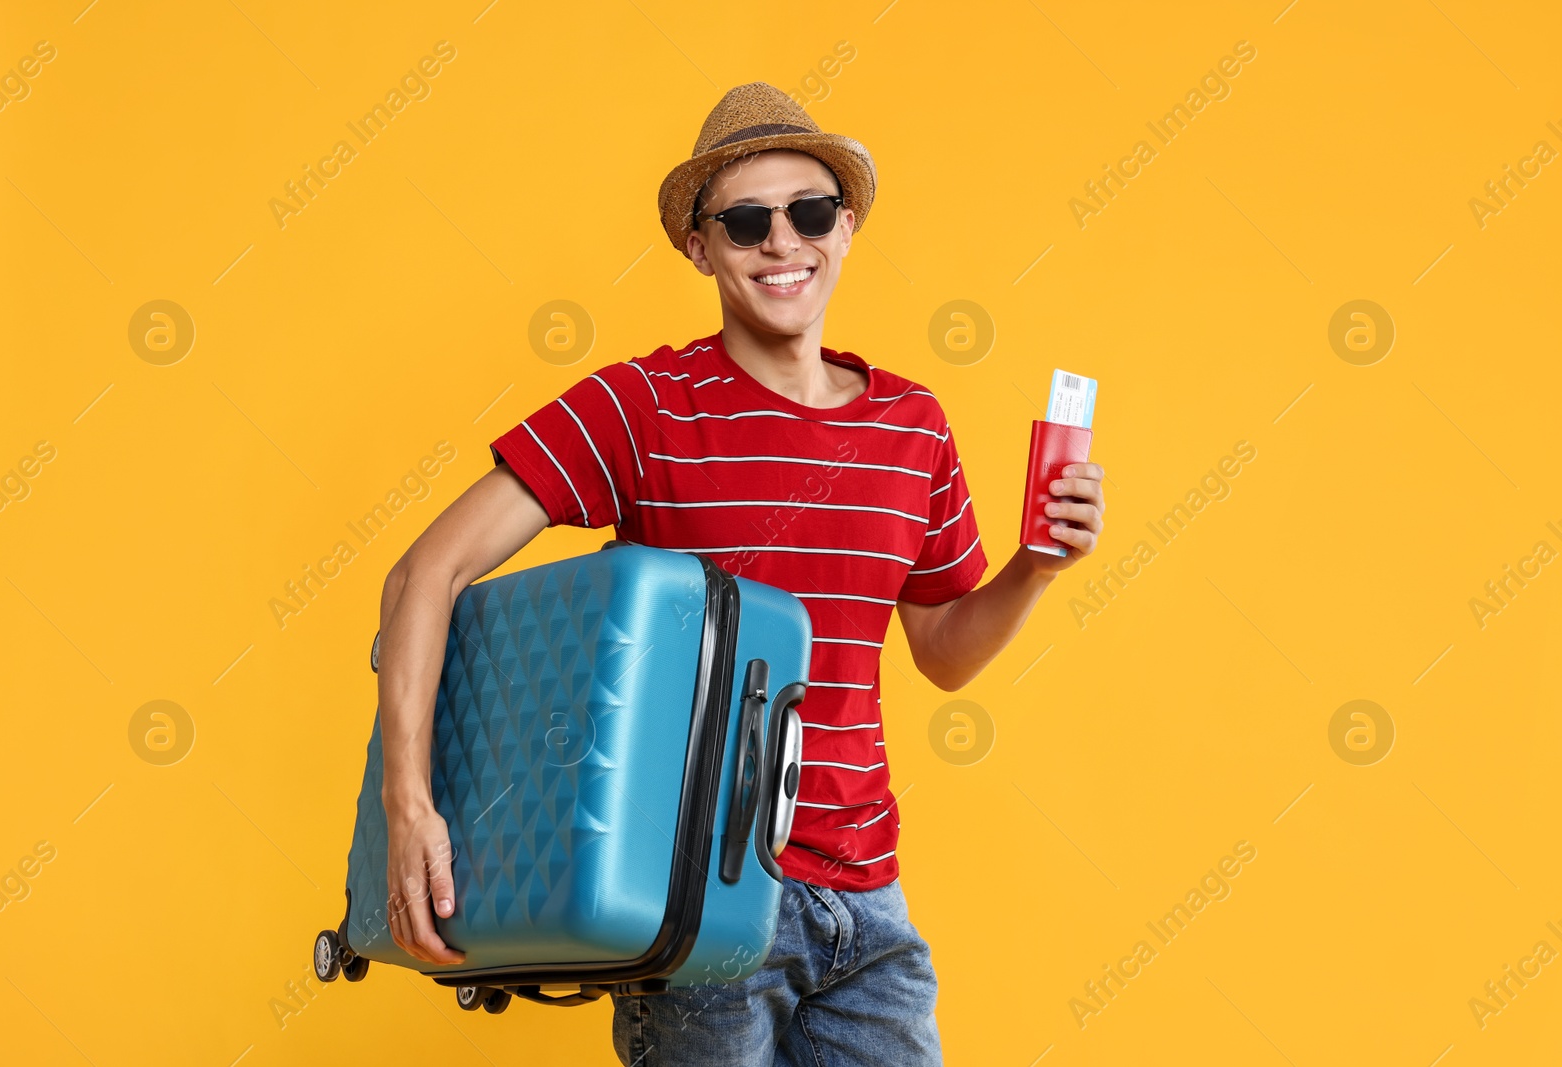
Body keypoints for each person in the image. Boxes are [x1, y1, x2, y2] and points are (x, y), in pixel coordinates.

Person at [374, 81, 1105, 1065]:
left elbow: (941, 650)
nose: (780, 242)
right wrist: (408, 810)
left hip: (870, 907)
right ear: (700, 246)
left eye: (808, 213)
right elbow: (427, 572)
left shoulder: (912, 426)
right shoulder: (643, 406)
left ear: (844, 228)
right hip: (702, 901)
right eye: (745, 221)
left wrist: (1034, 567)